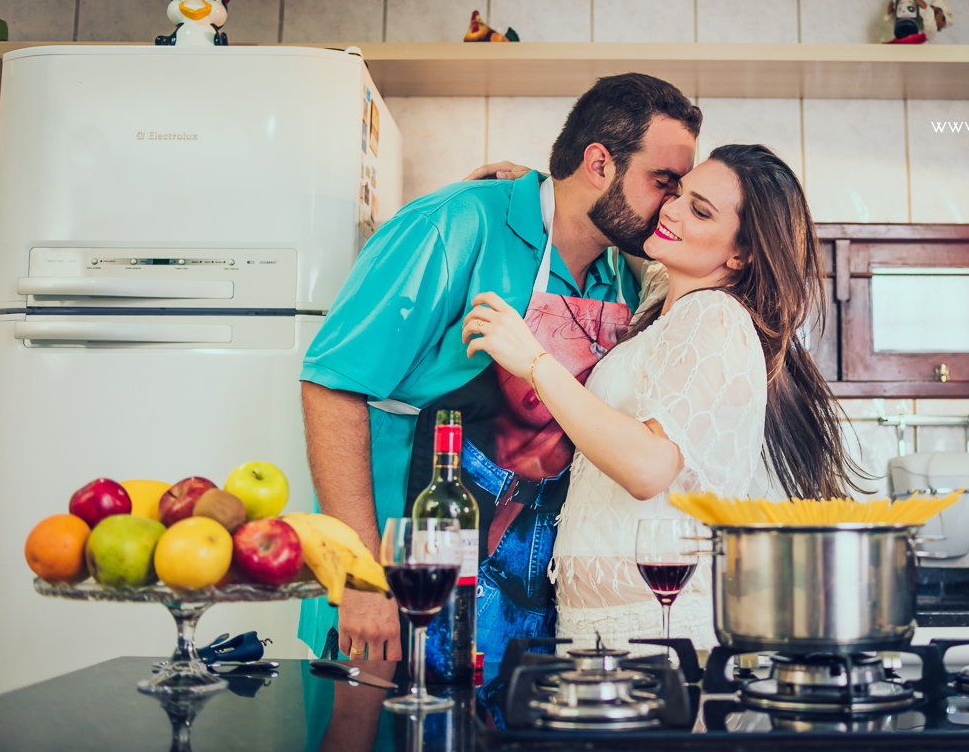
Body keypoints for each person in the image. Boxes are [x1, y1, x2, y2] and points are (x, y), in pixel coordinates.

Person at [297, 73, 702, 675]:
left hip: (525, 603)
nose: (670, 205)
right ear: (598, 164)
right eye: (662, 182)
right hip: (397, 585)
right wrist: (357, 576)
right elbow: (332, 386)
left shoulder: (624, 273)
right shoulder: (454, 224)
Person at [462, 144, 861, 650]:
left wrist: (534, 362)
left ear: (740, 254)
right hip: (601, 627)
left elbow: (649, 468)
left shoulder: (715, 316)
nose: (671, 209)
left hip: (659, 628)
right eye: (677, 193)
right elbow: (628, 230)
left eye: (700, 211)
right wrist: (553, 189)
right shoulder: (668, 301)